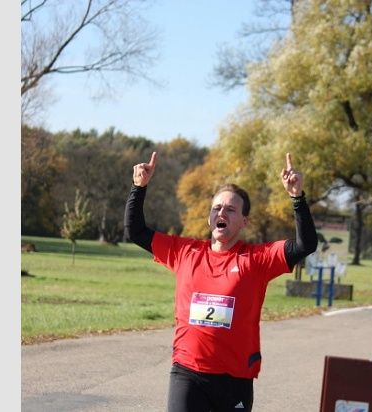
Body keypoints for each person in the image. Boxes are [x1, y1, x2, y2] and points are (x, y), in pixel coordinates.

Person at [124, 152, 318, 412]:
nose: (221, 212)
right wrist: (139, 187)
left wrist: (297, 197)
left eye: (230, 209)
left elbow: (306, 244)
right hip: (188, 372)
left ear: (244, 222)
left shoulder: (257, 259)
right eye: (216, 208)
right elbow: (135, 231)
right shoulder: (184, 252)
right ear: (209, 218)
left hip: (235, 379)